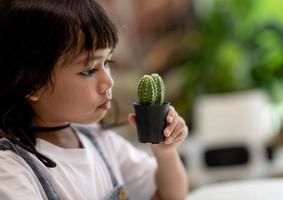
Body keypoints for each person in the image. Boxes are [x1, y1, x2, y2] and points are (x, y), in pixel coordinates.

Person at [0, 0, 189, 199]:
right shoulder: (11, 170)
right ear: (32, 84)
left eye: (107, 62)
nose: (108, 81)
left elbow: (169, 196)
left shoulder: (101, 141)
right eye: (89, 70)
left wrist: (165, 152)